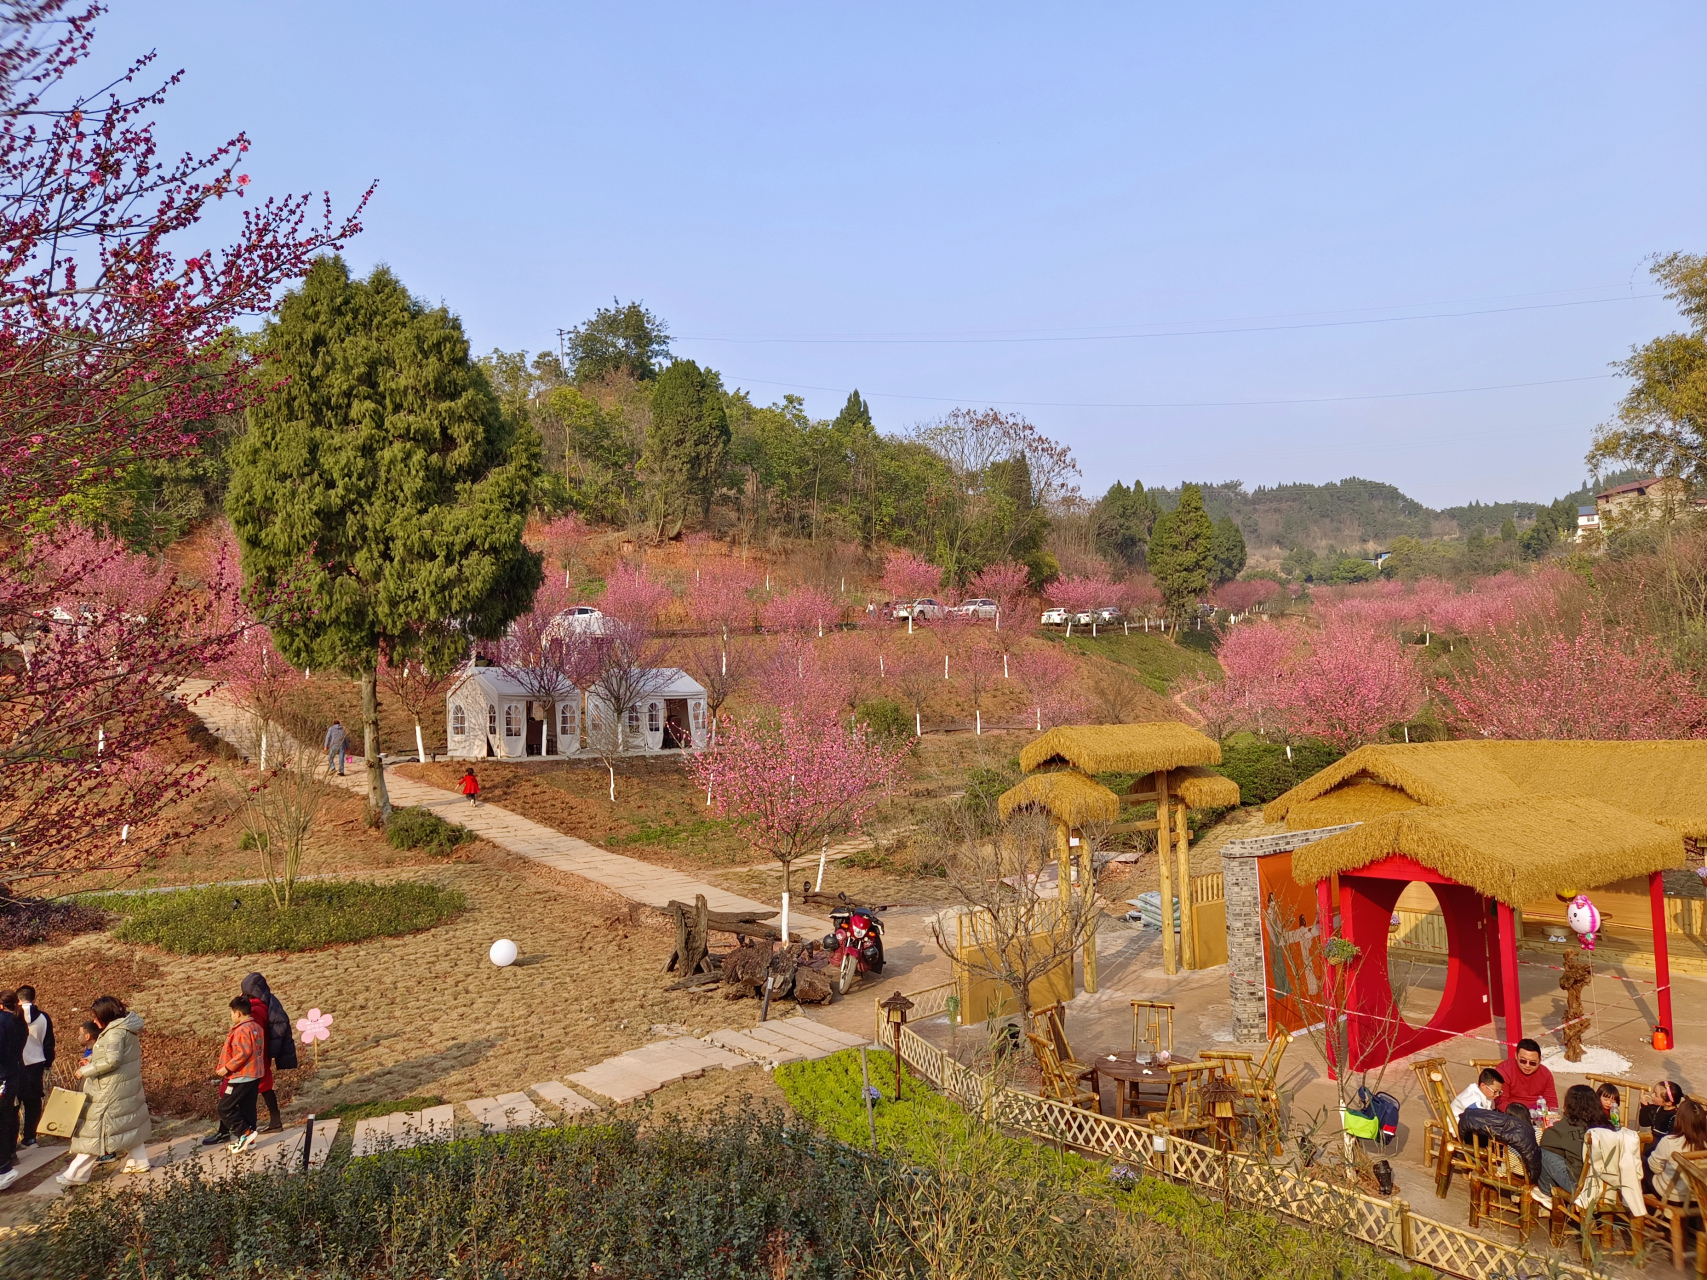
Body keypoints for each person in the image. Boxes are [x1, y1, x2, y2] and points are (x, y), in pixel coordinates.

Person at [58, 995, 151, 1186]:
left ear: (105, 1015)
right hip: (121, 1086)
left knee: (93, 1130)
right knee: (126, 1123)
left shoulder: (115, 1033)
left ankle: (76, 1174)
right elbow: (116, 1056)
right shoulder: (123, 1028)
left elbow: (112, 1060)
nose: (93, 1020)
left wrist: (84, 1070)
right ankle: (139, 1161)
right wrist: (92, 1060)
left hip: (109, 1089)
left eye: (95, 1016)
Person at [1533, 1084, 1613, 1208]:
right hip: (1607, 1185)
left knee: (1543, 1152)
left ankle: (1546, 1192)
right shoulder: (1608, 1125)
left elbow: (1546, 1141)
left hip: (1580, 1186)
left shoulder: (1568, 1125)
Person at [241, 972, 296, 1133]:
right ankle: (274, 1120)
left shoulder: (255, 1009)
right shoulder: (267, 1005)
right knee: (265, 1086)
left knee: (245, 1089)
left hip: (255, 1053)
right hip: (264, 1051)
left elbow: (251, 1032)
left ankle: (245, 1126)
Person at [213, 996, 263, 1155]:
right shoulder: (256, 1027)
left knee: (225, 1107)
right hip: (255, 1074)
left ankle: (245, 1133)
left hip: (241, 1075)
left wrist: (227, 1068)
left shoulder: (242, 1029)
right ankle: (250, 1139)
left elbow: (244, 1052)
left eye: (232, 1012)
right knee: (248, 1107)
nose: (231, 1015)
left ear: (238, 1014)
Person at [1649, 1096, 1707, 1203]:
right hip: (1696, 1197)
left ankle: (1635, 1207)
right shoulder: (1704, 1144)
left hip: (1671, 1195)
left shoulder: (1670, 1141)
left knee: (1641, 1163)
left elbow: (1654, 1167)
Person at [17, 985, 54, 1148]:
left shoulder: (12, 1017)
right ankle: (30, 1137)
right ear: (34, 998)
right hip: (36, 1062)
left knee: (14, 1103)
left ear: (18, 1000)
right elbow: (48, 1042)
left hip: (17, 1063)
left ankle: (11, 1142)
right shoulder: (44, 1017)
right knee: (33, 1101)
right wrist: (48, 1063)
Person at [0, 991, 25, 1191]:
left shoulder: (3, 1022)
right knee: (6, 1117)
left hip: (2, 1076)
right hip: (12, 1075)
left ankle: (3, 1168)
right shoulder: (19, 1021)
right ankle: (8, 1157)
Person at [1499, 1038, 1558, 1115]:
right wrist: (1519, 1114)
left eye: (1533, 1063)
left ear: (1539, 1060)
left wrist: (1549, 1115)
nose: (1527, 1066)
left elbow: (1551, 1101)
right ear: (1516, 1056)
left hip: (1539, 1115)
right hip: (1512, 1114)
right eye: (1523, 1061)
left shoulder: (1545, 1074)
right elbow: (1501, 1101)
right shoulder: (1504, 1071)